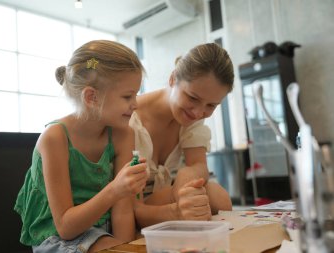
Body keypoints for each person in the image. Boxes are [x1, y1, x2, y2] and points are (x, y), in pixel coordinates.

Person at [14, 40, 148, 253]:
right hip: (56, 237)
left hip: (103, 232)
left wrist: (125, 248)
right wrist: (115, 189)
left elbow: (122, 212)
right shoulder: (55, 138)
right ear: (91, 97)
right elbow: (65, 227)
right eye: (127, 96)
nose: (136, 104)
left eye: (136, 94)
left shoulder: (123, 134)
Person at [130, 43, 234, 228]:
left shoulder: (192, 120)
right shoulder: (130, 117)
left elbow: (198, 165)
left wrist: (186, 185)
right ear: (172, 79)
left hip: (165, 196)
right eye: (192, 98)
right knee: (209, 198)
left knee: (219, 198)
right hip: (128, 204)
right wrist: (182, 200)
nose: (198, 113)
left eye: (211, 105)